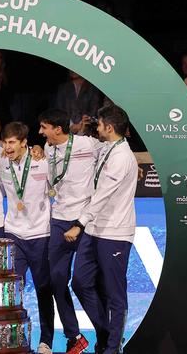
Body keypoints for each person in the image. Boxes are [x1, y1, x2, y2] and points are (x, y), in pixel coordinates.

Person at [68, 105, 137, 354]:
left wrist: (79, 223)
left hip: (115, 233)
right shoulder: (107, 147)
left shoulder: (122, 156)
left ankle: (111, 348)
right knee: (79, 282)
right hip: (95, 230)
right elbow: (85, 144)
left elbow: (104, 195)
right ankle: (107, 334)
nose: (96, 128)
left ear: (109, 127)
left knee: (115, 294)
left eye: (99, 125)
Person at [38, 109, 99, 354]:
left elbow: (112, 151)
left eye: (44, 127)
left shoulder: (88, 144)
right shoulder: (48, 148)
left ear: (58, 129)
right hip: (59, 221)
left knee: (90, 282)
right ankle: (74, 337)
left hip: (86, 222)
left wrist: (135, 165)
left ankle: (108, 335)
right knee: (57, 280)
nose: (41, 132)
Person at [0, 122, 56, 354]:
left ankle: (46, 341)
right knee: (12, 290)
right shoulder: (1, 162)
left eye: (12, 142)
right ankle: (13, 337)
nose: (8, 147)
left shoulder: (42, 161)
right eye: (5, 142)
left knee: (43, 290)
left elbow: (57, 187)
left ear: (24, 143)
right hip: (13, 234)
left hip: (40, 234)